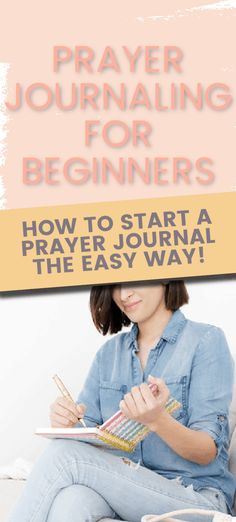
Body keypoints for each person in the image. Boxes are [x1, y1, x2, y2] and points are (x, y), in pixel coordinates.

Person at [8, 281, 235, 522]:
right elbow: (88, 439)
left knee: (64, 454)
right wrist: (67, 424)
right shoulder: (108, 354)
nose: (124, 295)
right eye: (116, 285)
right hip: (126, 489)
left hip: (195, 496)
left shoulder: (205, 341)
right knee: (71, 499)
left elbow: (207, 452)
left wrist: (158, 421)